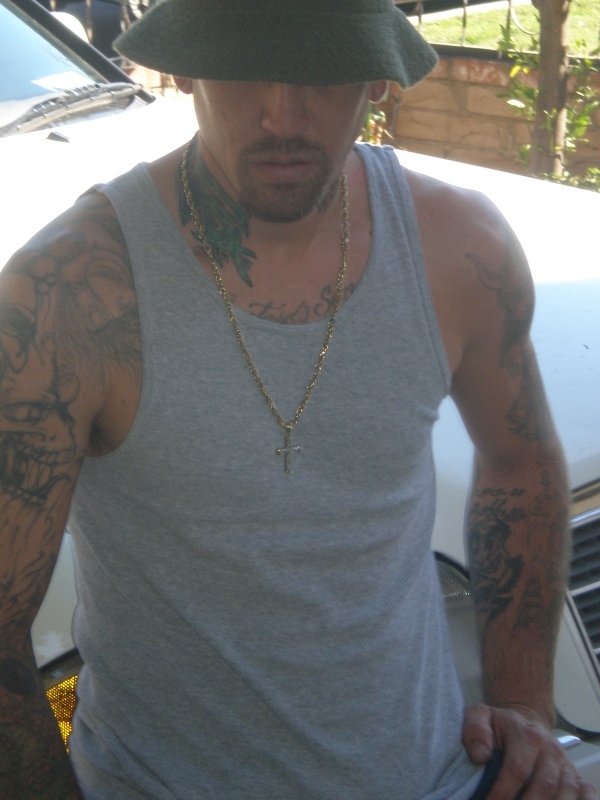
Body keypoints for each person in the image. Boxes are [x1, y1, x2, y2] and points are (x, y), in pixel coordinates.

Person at [0, 1, 595, 798]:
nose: (283, 115)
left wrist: (523, 704)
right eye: (246, 68)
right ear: (185, 70)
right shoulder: (68, 296)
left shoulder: (460, 249)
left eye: (321, 67)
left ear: (376, 77)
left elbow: (521, 461)